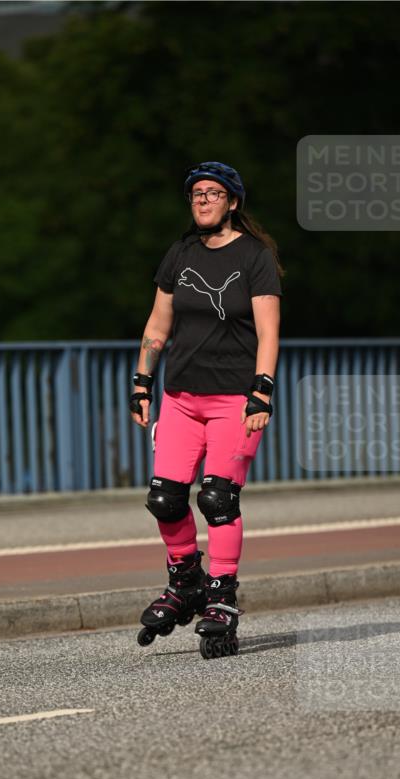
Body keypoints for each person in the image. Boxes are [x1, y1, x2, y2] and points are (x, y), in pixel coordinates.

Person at [130, 161, 283, 659]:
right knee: (165, 499)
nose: (203, 200)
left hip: (233, 400)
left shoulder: (255, 257)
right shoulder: (180, 254)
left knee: (217, 499)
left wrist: (262, 391)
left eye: (213, 193)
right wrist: (142, 383)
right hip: (180, 398)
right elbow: (157, 326)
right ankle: (185, 580)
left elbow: (268, 332)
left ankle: (221, 596)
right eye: (196, 193)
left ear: (232, 202)